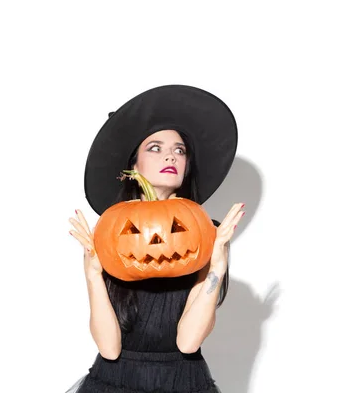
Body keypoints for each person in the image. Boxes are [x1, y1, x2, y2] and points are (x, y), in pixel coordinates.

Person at [67, 85, 243, 393]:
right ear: (133, 166)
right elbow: (109, 349)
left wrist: (216, 266)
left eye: (179, 150)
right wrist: (93, 273)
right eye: (155, 148)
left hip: (183, 382)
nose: (171, 156)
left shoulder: (205, 231)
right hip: (113, 382)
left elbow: (188, 343)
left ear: (187, 166)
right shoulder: (112, 231)